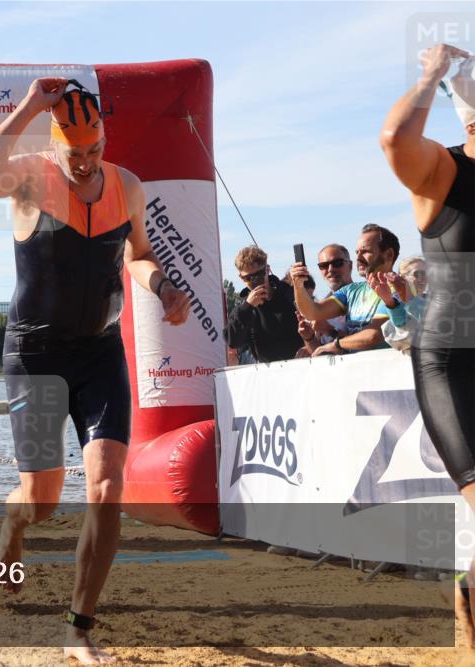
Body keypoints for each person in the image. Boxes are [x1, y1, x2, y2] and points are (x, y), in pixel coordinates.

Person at [0, 77, 190, 664]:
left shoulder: (127, 185)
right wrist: (29, 106)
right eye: (75, 153)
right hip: (34, 355)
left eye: (95, 149)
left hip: (98, 352)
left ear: (105, 140)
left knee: (107, 488)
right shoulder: (30, 177)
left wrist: (162, 285)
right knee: (42, 502)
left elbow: (138, 254)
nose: (86, 162)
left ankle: (78, 628)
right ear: (54, 145)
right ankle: (13, 524)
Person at [380, 42, 475, 644]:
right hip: (451, 361)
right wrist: (432, 75)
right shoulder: (443, 171)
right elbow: (394, 137)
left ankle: (467, 589)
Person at [290, 225, 401, 355]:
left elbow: (374, 335)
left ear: (389, 255)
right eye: (357, 252)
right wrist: (298, 285)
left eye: (365, 251)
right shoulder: (351, 291)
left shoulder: (400, 287)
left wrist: (336, 344)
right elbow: (312, 312)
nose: (358, 258)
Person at [225, 246, 303, 363]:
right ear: (241, 278)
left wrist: (308, 346)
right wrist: (247, 307)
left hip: (300, 364)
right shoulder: (243, 308)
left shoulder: (288, 293)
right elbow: (232, 341)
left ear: (267, 270)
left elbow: (313, 322)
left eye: (259, 274)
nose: (255, 281)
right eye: (248, 278)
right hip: (265, 370)